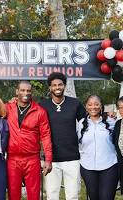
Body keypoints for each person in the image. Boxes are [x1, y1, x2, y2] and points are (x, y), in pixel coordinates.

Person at [40, 72, 86, 200]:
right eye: (54, 85)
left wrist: (106, 116)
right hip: (51, 159)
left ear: (64, 86)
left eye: (60, 84)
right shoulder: (43, 105)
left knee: (72, 195)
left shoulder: (75, 103)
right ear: (50, 87)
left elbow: (88, 121)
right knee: (52, 195)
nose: (57, 87)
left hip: (72, 158)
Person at [6, 81, 52, 200]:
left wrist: (48, 159)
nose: (25, 93)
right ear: (17, 91)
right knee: (13, 194)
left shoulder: (40, 111)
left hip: (32, 159)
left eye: (28, 91)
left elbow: (46, 136)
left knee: (34, 194)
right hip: (13, 159)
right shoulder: (7, 108)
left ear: (31, 92)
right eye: (22, 90)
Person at [78, 95, 118, 200]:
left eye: (96, 104)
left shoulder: (111, 121)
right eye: (90, 104)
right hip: (88, 167)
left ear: (101, 106)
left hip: (109, 165)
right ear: (86, 107)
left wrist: (114, 116)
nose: (93, 107)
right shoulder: (81, 123)